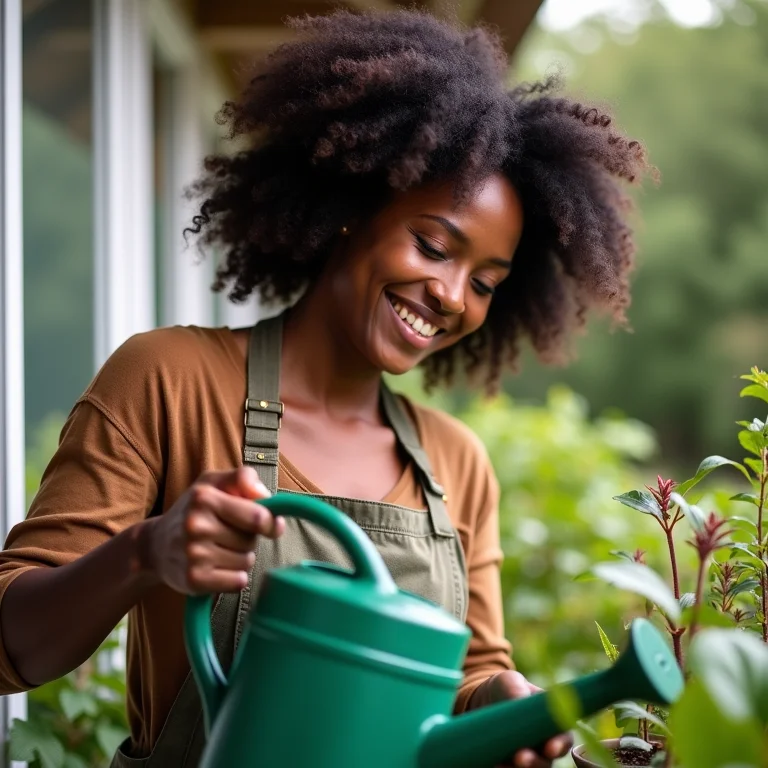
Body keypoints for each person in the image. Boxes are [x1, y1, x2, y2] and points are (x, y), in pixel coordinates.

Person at [0, 9, 652, 768]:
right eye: (432, 245)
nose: (450, 295)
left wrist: (499, 696)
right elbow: (16, 644)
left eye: (484, 283)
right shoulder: (169, 379)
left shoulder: (455, 462)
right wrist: (147, 552)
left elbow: (466, 675)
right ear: (353, 211)